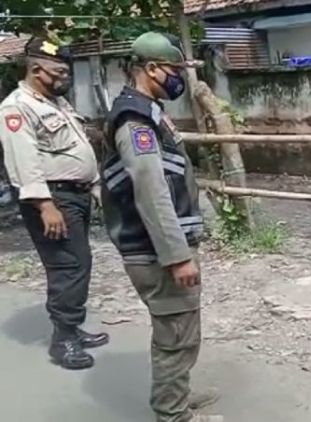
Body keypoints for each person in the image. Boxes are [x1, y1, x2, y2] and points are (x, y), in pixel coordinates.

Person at [100, 32, 222, 422]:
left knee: (182, 329)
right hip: (156, 252)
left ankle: (177, 396)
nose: (178, 78)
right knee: (175, 336)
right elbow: (151, 193)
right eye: (173, 70)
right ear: (150, 69)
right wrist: (177, 255)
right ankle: (172, 414)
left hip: (162, 247)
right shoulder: (134, 119)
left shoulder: (148, 112)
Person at [0, 37, 109, 370]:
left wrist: (95, 186)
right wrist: (45, 206)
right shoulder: (17, 107)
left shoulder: (55, 103)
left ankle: (72, 327)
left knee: (79, 262)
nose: (65, 77)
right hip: (52, 198)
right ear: (36, 69)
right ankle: (63, 341)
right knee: (68, 265)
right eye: (59, 71)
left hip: (73, 194)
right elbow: (23, 161)